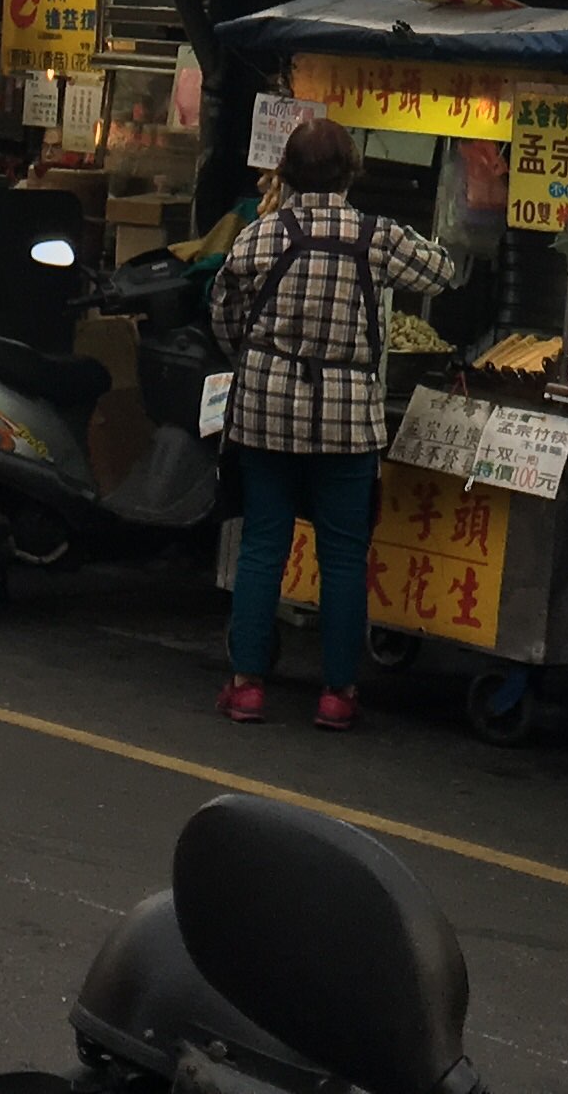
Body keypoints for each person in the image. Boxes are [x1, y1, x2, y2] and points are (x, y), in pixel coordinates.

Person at [207, 114, 470, 729]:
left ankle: (246, 686)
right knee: (346, 557)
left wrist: (247, 359)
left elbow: (222, 307)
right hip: (348, 419)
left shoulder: (262, 234)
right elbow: (442, 273)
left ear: (288, 174)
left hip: (265, 412)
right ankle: (337, 695)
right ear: (352, 172)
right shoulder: (375, 236)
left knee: (263, 546)